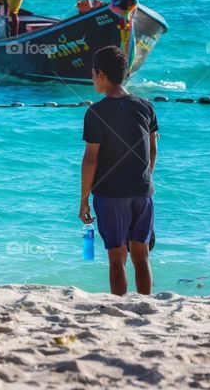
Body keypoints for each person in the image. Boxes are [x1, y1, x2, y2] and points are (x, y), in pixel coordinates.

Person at [79, 46, 158, 296]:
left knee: (116, 257)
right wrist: (145, 178)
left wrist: (83, 200)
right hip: (141, 191)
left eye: (93, 73)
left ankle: (119, 305)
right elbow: (153, 149)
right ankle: (147, 304)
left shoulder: (96, 112)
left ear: (101, 74)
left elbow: (91, 159)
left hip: (111, 194)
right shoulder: (145, 106)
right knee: (141, 254)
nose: (92, 78)